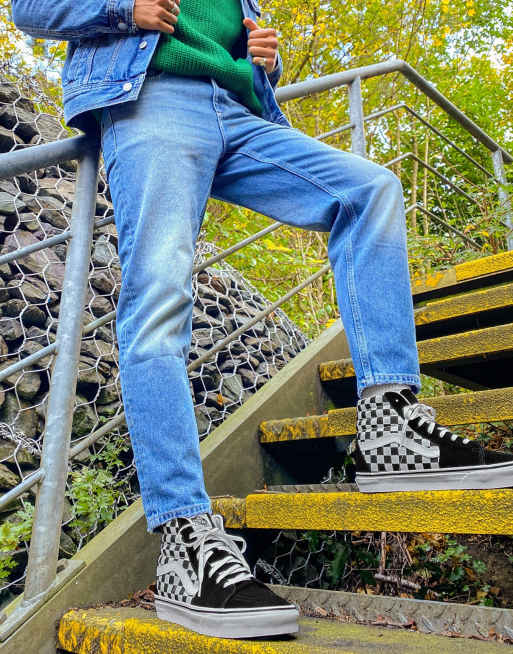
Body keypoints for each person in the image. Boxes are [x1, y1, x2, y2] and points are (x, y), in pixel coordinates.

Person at [12, 0, 513, 640]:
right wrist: (122, 10)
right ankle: (184, 541)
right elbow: (29, 7)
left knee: (370, 191)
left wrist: (261, 64)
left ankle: (390, 426)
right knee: (159, 301)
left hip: (239, 110)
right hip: (153, 100)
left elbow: (223, 34)